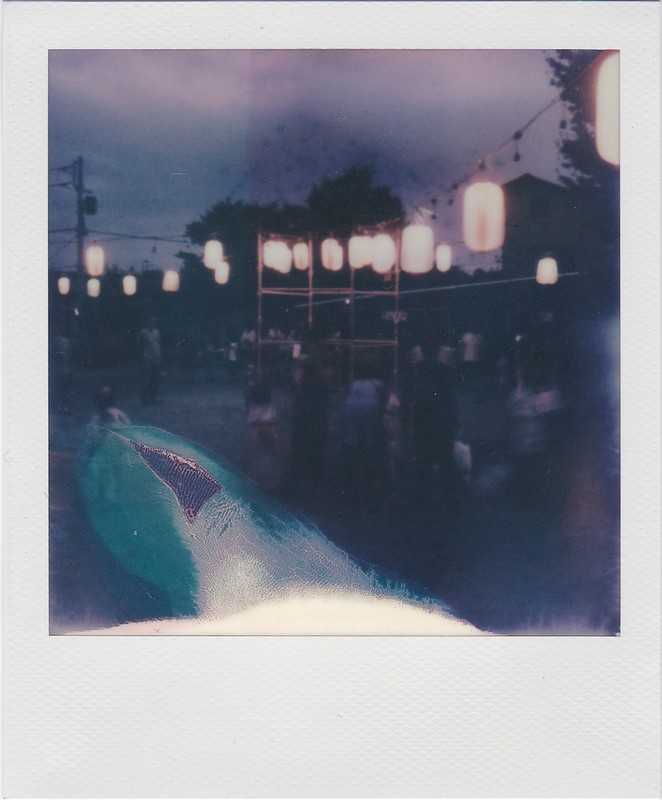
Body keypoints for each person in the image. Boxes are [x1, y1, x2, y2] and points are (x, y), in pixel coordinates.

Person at [408, 339, 459, 507]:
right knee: (435, 460)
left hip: (434, 420)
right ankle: (439, 496)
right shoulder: (438, 376)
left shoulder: (430, 376)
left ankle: (431, 497)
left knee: (431, 460)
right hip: (434, 420)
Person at [137, 316, 162, 406]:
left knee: (155, 379)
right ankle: (144, 399)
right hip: (147, 359)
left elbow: (158, 344)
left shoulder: (157, 331)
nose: (153, 323)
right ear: (147, 322)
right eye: (151, 321)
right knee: (146, 380)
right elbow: (138, 345)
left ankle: (153, 398)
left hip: (156, 358)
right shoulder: (143, 332)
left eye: (154, 322)